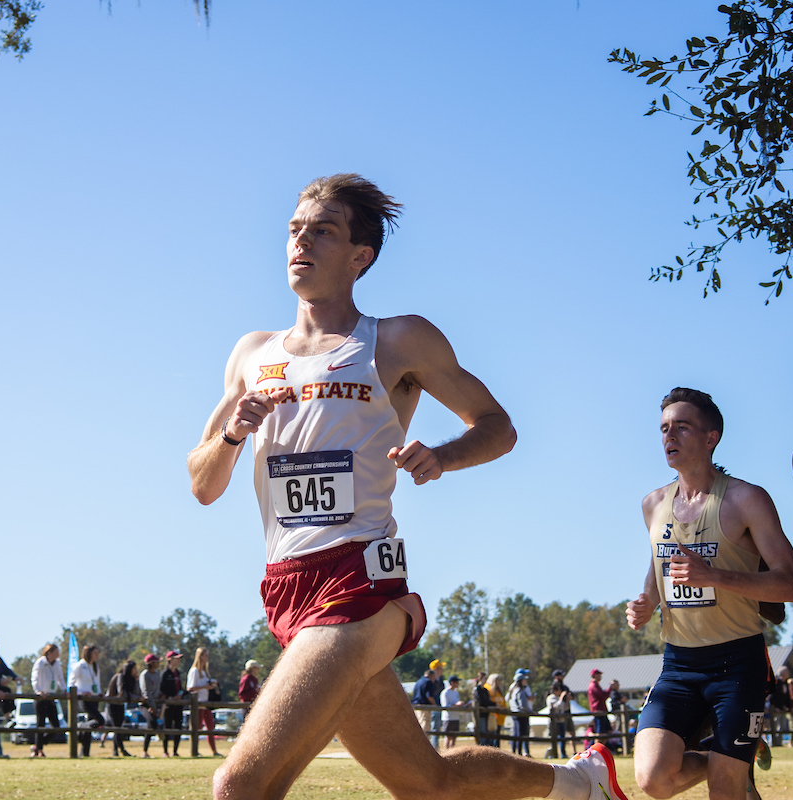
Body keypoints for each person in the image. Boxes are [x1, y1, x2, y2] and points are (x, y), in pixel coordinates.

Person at [188, 174, 625, 800]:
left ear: (359, 257)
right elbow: (203, 484)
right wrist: (232, 435)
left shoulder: (395, 340)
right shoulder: (251, 354)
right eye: (293, 229)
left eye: (323, 231)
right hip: (285, 585)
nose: (300, 241)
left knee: (239, 785)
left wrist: (440, 457)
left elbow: (498, 428)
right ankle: (582, 784)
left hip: (359, 582)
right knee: (430, 784)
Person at [627, 387, 793, 800]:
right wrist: (646, 602)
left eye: (682, 427)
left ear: (712, 437)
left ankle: (731, 767)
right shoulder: (653, 504)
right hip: (679, 664)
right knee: (652, 779)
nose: (670, 436)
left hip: (738, 663)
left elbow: (792, 583)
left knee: (725, 794)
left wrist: (715, 576)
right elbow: (661, 565)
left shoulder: (746, 499)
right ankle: (728, 761)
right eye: (664, 428)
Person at [71, 644, 105, 757]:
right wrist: (81, 693)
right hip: (85, 699)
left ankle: (85, 753)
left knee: (89, 728)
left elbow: (97, 682)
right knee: (100, 720)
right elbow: (72, 682)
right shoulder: (80, 665)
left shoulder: (95, 666)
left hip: (94, 698)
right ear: (89, 653)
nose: (97, 655)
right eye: (95, 653)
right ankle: (81, 727)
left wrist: (99, 692)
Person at [30, 644, 64, 758]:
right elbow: (35, 677)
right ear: (49, 652)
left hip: (51, 697)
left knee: (56, 726)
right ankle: (39, 750)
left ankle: (38, 745)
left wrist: (64, 690)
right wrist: (38, 691)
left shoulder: (57, 664)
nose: (58, 654)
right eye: (56, 652)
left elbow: (60, 678)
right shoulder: (40, 662)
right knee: (41, 724)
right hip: (41, 698)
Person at [187, 647, 221, 757]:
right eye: (206, 655)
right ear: (200, 656)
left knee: (210, 727)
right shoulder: (194, 671)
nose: (207, 658)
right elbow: (190, 688)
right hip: (198, 704)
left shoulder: (204, 672)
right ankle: (194, 750)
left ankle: (214, 751)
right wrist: (204, 686)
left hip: (206, 704)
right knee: (197, 728)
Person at [107, 659, 140, 757]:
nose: (136, 670)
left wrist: (136, 680)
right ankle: (121, 750)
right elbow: (123, 693)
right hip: (112, 705)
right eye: (134, 669)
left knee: (118, 728)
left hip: (120, 705)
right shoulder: (120, 677)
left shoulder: (130, 680)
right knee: (117, 728)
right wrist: (137, 697)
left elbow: (135, 692)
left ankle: (116, 751)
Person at [160, 650, 185, 757]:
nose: (178, 661)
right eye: (176, 658)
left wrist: (180, 694)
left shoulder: (178, 673)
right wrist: (169, 697)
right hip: (169, 705)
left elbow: (181, 687)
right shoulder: (165, 674)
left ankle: (175, 751)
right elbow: (161, 689)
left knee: (179, 727)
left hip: (178, 704)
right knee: (167, 727)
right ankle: (165, 751)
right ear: (170, 660)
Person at [139, 653, 163, 758]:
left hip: (155, 704)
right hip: (145, 705)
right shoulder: (145, 675)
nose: (158, 663)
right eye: (157, 661)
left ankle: (145, 751)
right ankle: (145, 750)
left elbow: (157, 690)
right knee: (152, 723)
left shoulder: (157, 674)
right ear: (152, 663)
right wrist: (151, 705)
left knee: (152, 725)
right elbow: (146, 692)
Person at [507, 669, 534, 756]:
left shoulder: (514, 690)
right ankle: (519, 753)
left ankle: (516, 752)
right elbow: (523, 705)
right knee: (521, 734)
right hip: (521, 714)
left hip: (516, 714)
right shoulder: (520, 691)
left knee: (517, 734)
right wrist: (531, 711)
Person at [440, 675, 467, 749]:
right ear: (452, 683)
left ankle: (452, 751)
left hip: (456, 717)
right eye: (456, 682)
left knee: (454, 737)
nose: (458, 683)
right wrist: (456, 704)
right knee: (448, 736)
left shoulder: (456, 693)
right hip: (448, 718)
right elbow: (445, 706)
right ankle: (446, 751)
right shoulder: (445, 693)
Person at [586, 670, 611, 748]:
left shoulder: (596, 685)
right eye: (599, 674)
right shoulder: (593, 686)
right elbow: (602, 696)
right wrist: (610, 688)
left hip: (602, 711)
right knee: (600, 734)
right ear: (595, 675)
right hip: (598, 711)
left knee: (607, 732)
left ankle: (600, 749)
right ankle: (595, 750)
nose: (600, 676)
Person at [473, 671, 496, 747]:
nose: (486, 680)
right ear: (480, 679)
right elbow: (481, 701)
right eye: (484, 678)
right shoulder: (477, 689)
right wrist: (487, 705)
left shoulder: (485, 690)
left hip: (487, 715)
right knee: (482, 733)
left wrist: (495, 704)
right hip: (481, 715)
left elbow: (488, 701)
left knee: (488, 733)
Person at [412, 668, 438, 736]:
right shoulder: (428, 682)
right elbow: (429, 696)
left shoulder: (418, 681)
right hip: (424, 706)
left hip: (416, 706)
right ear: (431, 675)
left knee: (419, 723)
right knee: (425, 724)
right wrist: (434, 704)